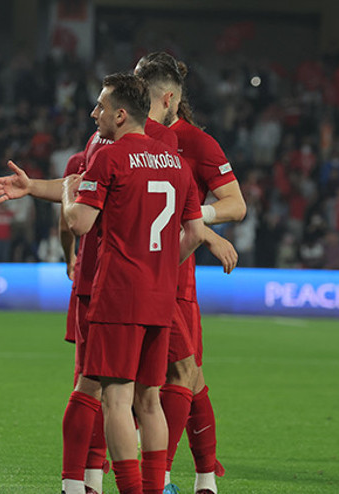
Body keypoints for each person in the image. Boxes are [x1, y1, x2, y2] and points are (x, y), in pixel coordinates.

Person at [62, 72, 218, 494]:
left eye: (100, 106)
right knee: (151, 401)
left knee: (115, 398)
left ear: (121, 113)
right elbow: (196, 232)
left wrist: (66, 191)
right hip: (160, 296)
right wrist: (166, 268)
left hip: (118, 295)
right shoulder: (176, 164)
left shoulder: (108, 158)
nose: (95, 113)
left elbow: (79, 223)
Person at [135, 52, 247, 494]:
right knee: (185, 377)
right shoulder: (127, 137)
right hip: (138, 273)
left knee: (182, 377)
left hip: (176, 279)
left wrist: (193, 219)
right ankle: (202, 480)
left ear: (166, 98)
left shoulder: (196, 143)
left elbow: (236, 204)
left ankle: (164, 477)